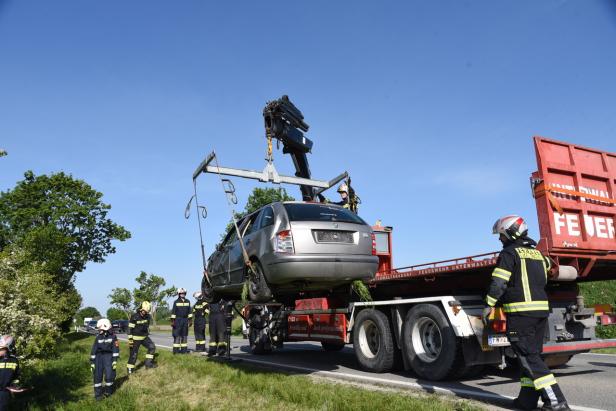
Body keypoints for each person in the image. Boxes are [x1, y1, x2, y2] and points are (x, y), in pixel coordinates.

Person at [483, 215, 570, 411]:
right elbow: (549, 270)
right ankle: (527, 401)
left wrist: (488, 305)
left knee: (529, 358)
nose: (500, 240)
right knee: (531, 357)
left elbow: (499, 283)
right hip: (539, 314)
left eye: (502, 235)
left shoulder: (509, 254)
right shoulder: (539, 255)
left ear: (511, 233)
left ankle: (556, 402)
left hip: (521, 315)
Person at [90, 319, 119, 400]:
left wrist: (114, 360)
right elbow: (94, 350)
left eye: (100, 329)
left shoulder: (113, 336)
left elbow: (115, 349)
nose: (99, 330)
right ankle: (98, 395)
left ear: (105, 328)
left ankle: (108, 392)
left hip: (108, 357)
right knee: (97, 376)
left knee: (109, 376)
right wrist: (92, 362)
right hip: (98, 358)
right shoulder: (98, 337)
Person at [127, 301, 157, 375]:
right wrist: (130, 340)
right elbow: (129, 329)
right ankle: (130, 370)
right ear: (141, 309)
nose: (145, 312)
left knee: (152, 347)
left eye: (146, 311)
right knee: (134, 354)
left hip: (144, 337)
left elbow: (146, 326)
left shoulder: (148, 316)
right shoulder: (134, 316)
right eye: (144, 311)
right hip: (135, 338)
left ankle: (148, 364)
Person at [0, 335, 20, 410]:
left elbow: (16, 376)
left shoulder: (14, 361)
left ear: (7, 348)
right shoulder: (14, 360)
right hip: (5, 392)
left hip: (4, 393)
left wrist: (14, 386)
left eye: (1, 348)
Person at [171, 288, 192, 354]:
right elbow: (173, 312)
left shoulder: (188, 301)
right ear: (179, 294)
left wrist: (190, 320)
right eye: (181, 293)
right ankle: (176, 351)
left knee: (184, 335)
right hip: (178, 320)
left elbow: (190, 312)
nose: (182, 294)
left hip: (185, 320)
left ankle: (184, 351)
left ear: (185, 294)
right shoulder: (176, 302)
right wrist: (173, 321)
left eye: (183, 293)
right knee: (177, 336)